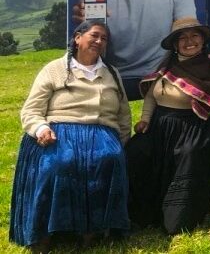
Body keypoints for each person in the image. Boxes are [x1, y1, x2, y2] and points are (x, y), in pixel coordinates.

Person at [125, 17, 210, 234]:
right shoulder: (168, 65)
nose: (189, 41)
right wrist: (145, 120)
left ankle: (179, 218)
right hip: (160, 126)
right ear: (175, 44)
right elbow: (152, 96)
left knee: (189, 156)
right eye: (183, 38)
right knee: (135, 152)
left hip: (194, 128)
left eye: (194, 36)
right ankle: (144, 212)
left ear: (202, 40)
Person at [10, 21, 131, 252]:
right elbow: (31, 110)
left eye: (104, 38)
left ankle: (93, 230)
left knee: (109, 159)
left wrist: (121, 142)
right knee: (60, 162)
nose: (99, 41)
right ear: (77, 38)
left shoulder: (111, 74)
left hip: (101, 130)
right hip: (59, 130)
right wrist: (40, 128)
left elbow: (123, 113)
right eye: (94, 35)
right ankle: (44, 231)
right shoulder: (54, 69)